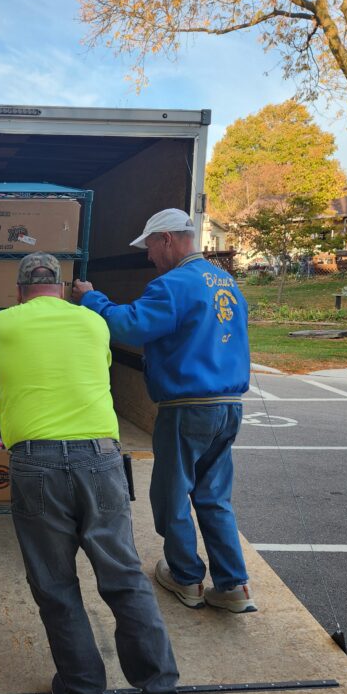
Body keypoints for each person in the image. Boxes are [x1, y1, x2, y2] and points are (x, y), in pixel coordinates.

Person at [0, 253, 180, 694]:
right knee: (124, 578)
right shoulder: (94, 322)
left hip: (35, 463)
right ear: (58, 288)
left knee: (57, 587)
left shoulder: (2, 323)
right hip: (102, 459)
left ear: (20, 291)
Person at [72, 208, 256, 614]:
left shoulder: (172, 285)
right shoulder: (225, 281)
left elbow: (128, 326)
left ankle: (186, 578)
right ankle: (233, 585)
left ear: (168, 240)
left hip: (187, 407)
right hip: (228, 407)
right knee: (213, 496)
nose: (149, 256)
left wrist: (91, 298)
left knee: (171, 494)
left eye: (151, 246)